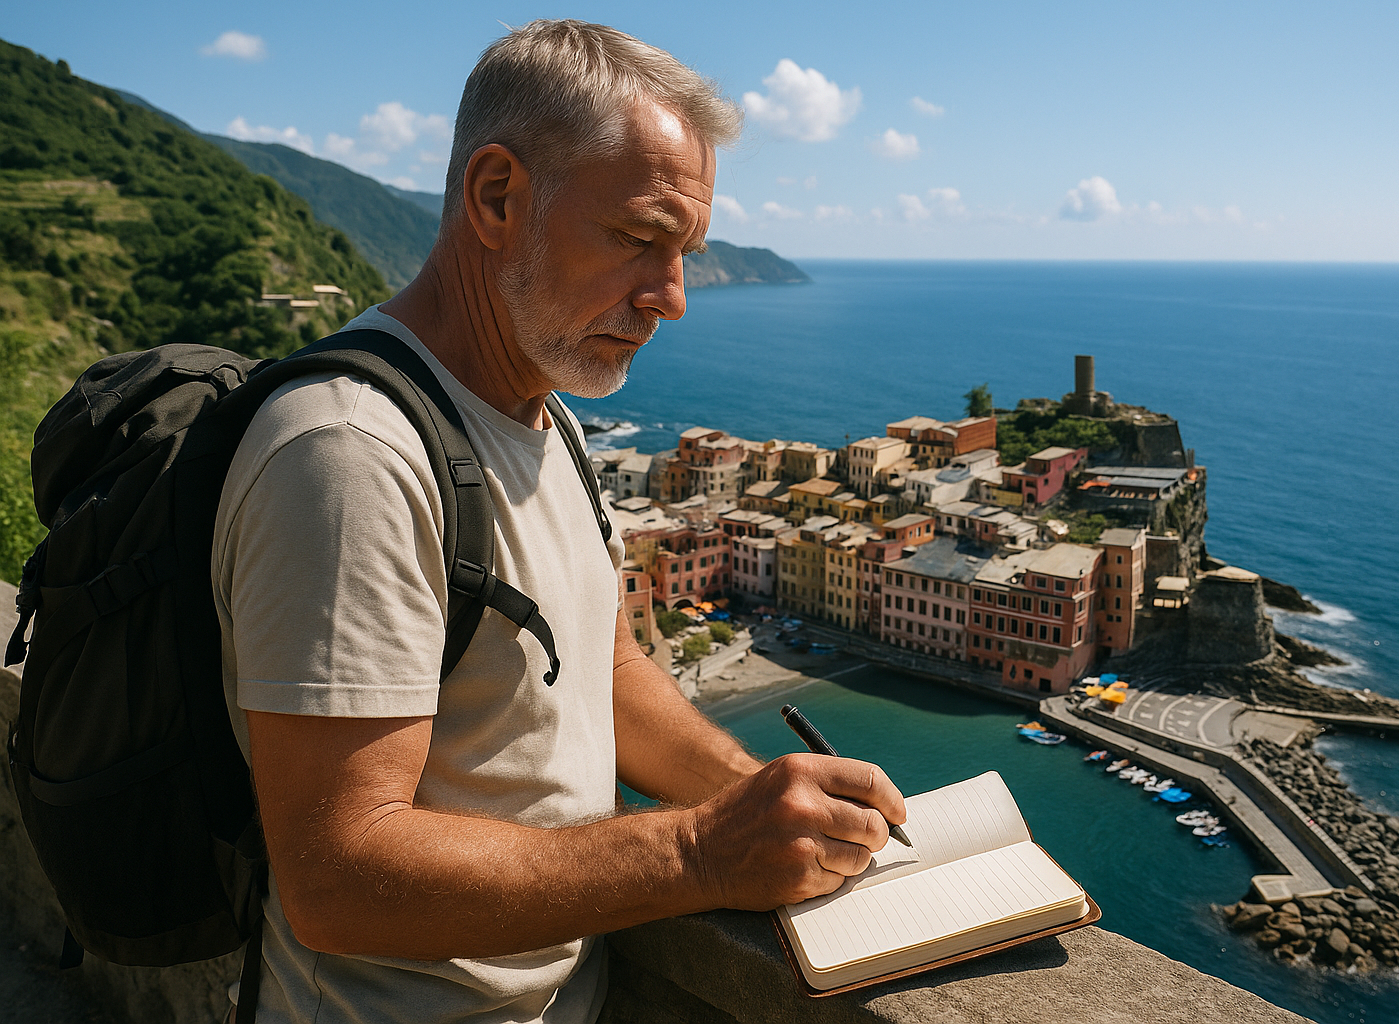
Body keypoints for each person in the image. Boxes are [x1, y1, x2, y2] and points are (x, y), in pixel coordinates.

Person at [212, 19, 906, 1024]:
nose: (671, 297)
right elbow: (336, 875)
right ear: (497, 197)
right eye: (638, 238)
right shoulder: (352, 452)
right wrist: (702, 850)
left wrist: (768, 798)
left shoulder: (543, 415)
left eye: (686, 252)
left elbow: (604, 669)